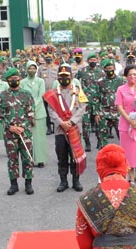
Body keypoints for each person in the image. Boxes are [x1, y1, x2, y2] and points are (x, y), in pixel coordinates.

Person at [45, 64, 88, 192]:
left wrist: (72, 121)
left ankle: (76, 181)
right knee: (62, 156)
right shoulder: (53, 94)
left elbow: (82, 107)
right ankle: (63, 181)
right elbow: (51, 110)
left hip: (74, 129)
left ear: (71, 76)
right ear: (57, 77)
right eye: (61, 76)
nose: (64, 78)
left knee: (75, 156)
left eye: (66, 76)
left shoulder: (78, 90)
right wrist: (60, 122)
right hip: (60, 130)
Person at [0, 68, 35, 195]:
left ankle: (28, 183)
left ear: (19, 78)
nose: (14, 80)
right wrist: (10, 127)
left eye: (16, 78)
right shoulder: (2, 96)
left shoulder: (27, 94)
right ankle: (14, 184)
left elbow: (31, 112)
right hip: (10, 134)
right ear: (7, 81)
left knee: (27, 158)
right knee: (12, 159)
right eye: (11, 78)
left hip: (25, 133)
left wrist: (23, 126)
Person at [93, 59, 125, 149]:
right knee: (102, 137)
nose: (109, 70)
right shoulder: (100, 82)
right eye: (107, 68)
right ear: (104, 70)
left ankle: (126, 158)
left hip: (118, 112)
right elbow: (96, 98)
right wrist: (96, 113)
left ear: (114, 68)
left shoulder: (121, 81)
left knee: (123, 136)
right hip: (104, 112)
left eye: (110, 68)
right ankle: (103, 157)